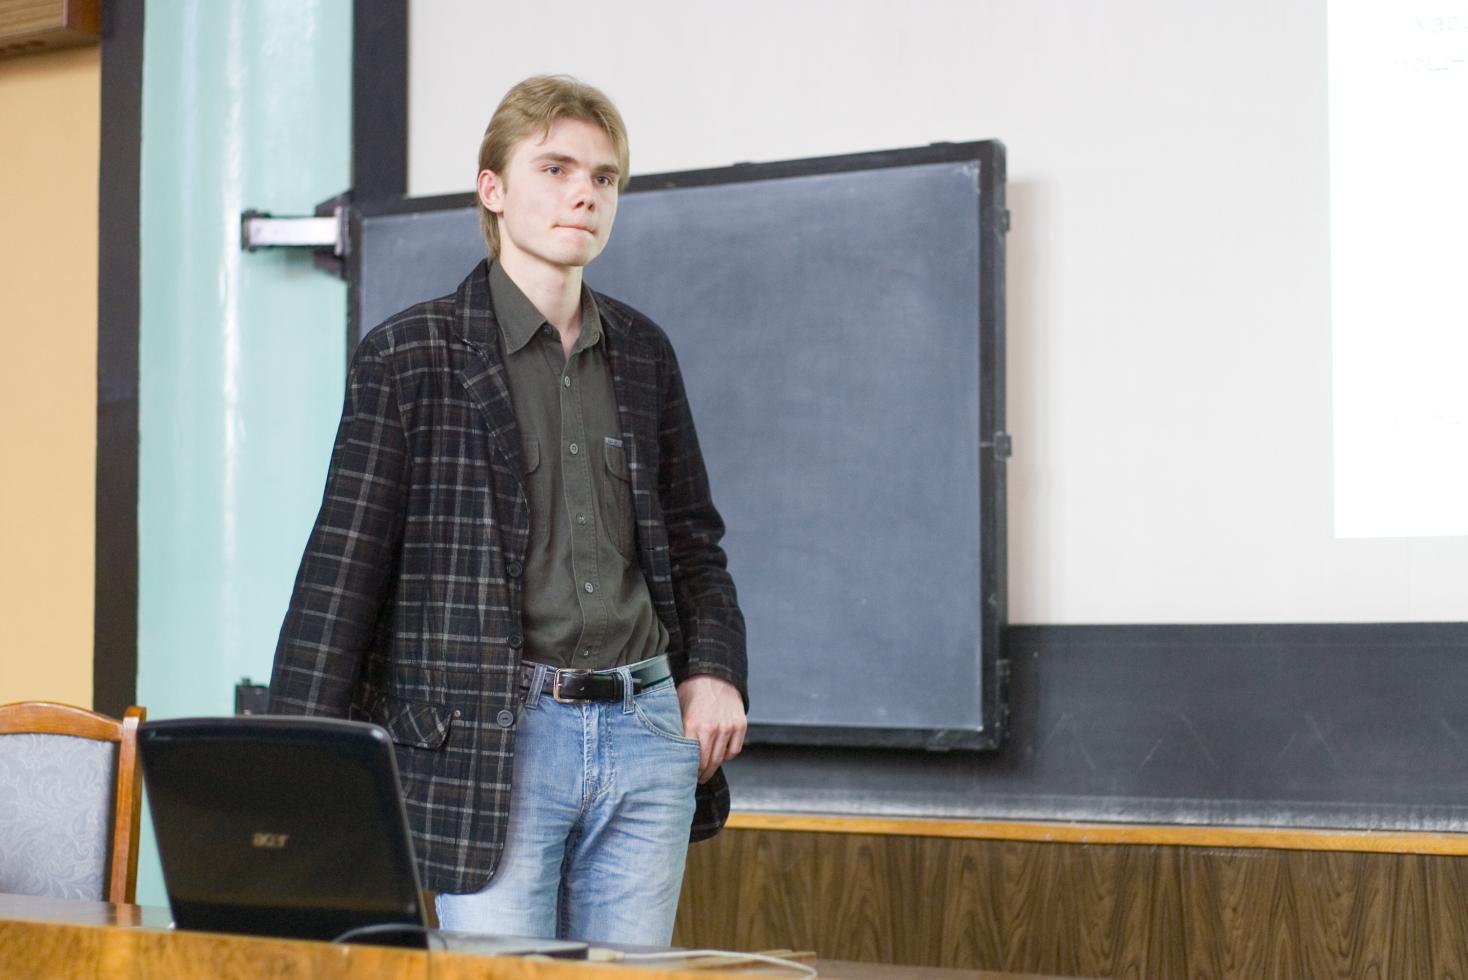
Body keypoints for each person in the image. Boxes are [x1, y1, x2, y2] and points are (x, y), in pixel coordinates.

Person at [268, 74, 748, 945]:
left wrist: (714, 670)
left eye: (603, 178)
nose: (584, 193)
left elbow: (692, 541)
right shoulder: (409, 356)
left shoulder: (644, 352)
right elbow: (341, 572)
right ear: (492, 189)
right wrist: (293, 779)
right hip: (494, 742)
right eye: (556, 168)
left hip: (647, 730)